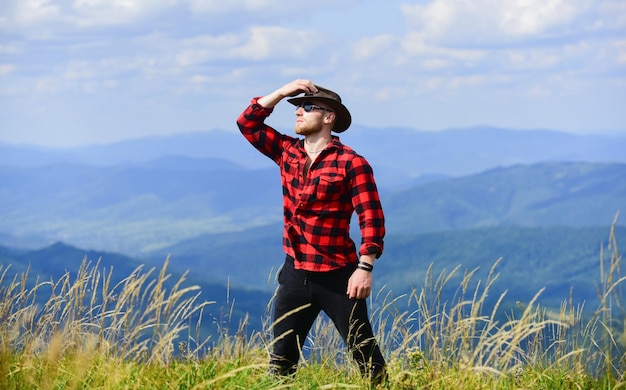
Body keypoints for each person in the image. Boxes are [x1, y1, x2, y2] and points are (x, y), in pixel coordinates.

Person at [236, 79, 387, 385]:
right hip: (294, 274)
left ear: (329, 117)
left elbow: (370, 216)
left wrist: (365, 268)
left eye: (307, 107)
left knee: (364, 353)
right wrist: (281, 92)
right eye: (297, 107)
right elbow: (247, 123)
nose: (298, 112)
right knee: (281, 360)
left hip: (338, 276)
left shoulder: (352, 163)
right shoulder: (286, 152)